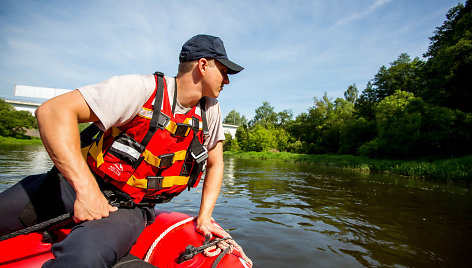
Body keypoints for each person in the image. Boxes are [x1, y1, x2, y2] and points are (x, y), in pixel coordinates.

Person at [0, 34, 243, 267]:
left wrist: (204, 217)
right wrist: (87, 192)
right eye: (223, 72)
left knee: (83, 259)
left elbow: (215, 163)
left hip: (129, 207)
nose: (228, 80)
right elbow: (53, 112)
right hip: (74, 185)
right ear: (202, 65)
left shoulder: (210, 110)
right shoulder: (142, 88)